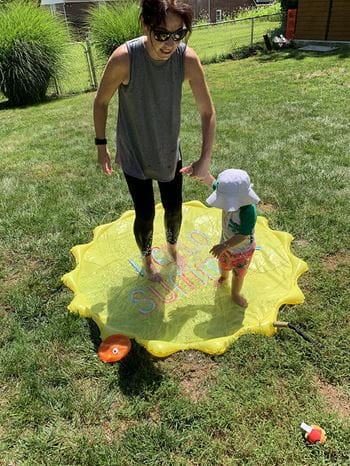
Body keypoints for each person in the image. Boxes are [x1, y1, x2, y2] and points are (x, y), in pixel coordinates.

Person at [93, 0, 216, 282]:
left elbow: (207, 112)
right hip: (134, 149)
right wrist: (102, 147)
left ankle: (172, 249)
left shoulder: (187, 60)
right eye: (161, 34)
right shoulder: (125, 59)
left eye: (178, 34)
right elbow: (101, 102)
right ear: (145, 25)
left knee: (174, 208)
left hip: (167, 150)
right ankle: (147, 261)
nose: (169, 43)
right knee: (145, 213)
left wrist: (205, 159)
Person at [200, 169, 260, 308]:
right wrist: (199, 172)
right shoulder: (227, 191)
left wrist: (224, 246)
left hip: (242, 251)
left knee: (238, 275)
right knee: (223, 265)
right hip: (226, 245)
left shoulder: (248, 212)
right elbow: (211, 181)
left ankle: (235, 293)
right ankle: (224, 276)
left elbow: (243, 235)